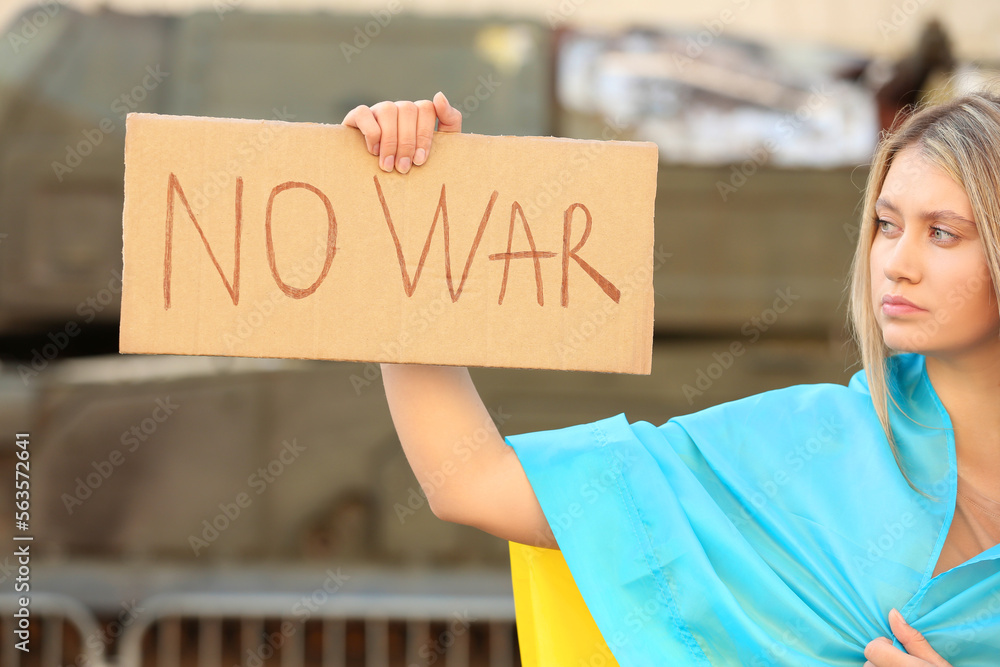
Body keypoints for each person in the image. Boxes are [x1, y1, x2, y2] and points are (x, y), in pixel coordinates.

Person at [342, 90, 1000, 666]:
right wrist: (414, 215)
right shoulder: (809, 443)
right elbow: (473, 482)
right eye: (887, 225)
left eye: (942, 233)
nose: (896, 263)